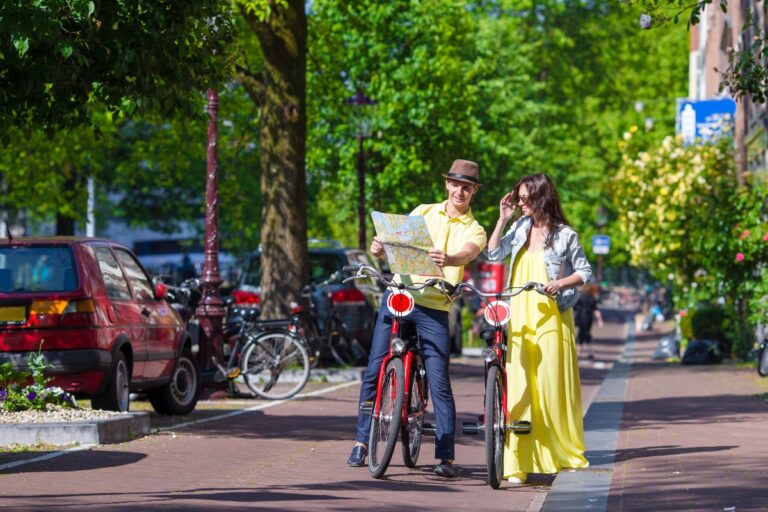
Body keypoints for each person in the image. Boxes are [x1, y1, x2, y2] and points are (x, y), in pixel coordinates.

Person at [347, 159, 487, 479]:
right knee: (374, 370)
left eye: (467, 187)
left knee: (439, 382)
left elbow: (468, 251)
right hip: (400, 295)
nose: (460, 191)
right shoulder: (423, 211)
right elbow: (397, 243)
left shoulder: (474, 228)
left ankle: (445, 456)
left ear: (473, 192)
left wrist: (450, 259)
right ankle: (360, 441)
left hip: (435, 304)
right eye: (455, 184)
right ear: (447, 185)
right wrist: (381, 247)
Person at [485, 173, 591, 485]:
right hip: (519, 314)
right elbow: (492, 254)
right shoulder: (519, 227)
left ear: (541, 198)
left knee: (549, 386)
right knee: (519, 386)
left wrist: (560, 281)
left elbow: (584, 271)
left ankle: (561, 453)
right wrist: (502, 220)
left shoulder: (565, 235)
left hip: (550, 316)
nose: (519, 203)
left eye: (524, 198)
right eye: (517, 198)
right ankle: (517, 462)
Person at [574, 283, 604, 359]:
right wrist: (600, 320)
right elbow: (596, 310)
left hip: (582, 318)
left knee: (583, 335)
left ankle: (580, 353)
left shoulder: (580, 297)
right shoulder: (592, 298)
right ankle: (587, 352)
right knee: (585, 334)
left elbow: (574, 307)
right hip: (589, 319)